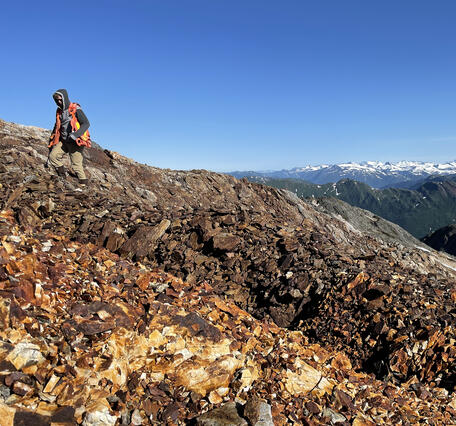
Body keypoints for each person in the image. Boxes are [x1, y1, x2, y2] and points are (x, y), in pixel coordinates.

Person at [48, 89, 91, 185]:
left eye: (60, 99)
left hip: (76, 142)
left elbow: (86, 123)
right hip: (64, 141)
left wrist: (76, 135)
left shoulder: (76, 109)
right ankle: (63, 178)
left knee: (76, 165)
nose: (59, 102)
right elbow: (57, 125)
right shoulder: (59, 111)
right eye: (56, 100)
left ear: (65, 98)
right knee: (53, 156)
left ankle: (84, 185)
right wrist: (52, 138)